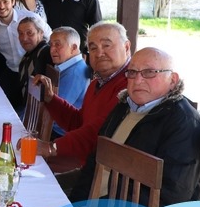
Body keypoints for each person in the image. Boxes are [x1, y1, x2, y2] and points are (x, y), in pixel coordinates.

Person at [70, 48, 200, 207]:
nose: (138, 80)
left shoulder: (183, 122)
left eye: (149, 72)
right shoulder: (124, 106)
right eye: (132, 72)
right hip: (95, 206)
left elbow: (172, 194)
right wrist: (74, 206)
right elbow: (95, 161)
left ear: (173, 80)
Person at [32, 22, 131, 166]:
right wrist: (51, 99)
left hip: (101, 171)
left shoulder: (130, 84)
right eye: (93, 48)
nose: (99, 53)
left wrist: (52, 147)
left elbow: (100, 130)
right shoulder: (97, 82)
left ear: (126, 47)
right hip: (85, 161)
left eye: (106, 45)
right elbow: (79, 123)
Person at [0, 0, 51, 110]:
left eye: (5, 1)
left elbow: (50, 37)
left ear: (13, 1)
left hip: (35, 73)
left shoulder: (31, 18)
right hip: (12, 72)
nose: (1, 6)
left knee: (31, 111)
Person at [47, 26, 91, 136]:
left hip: (60, 134)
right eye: (51, 45)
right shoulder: (66, 67)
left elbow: (53, 112)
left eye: (57, 44)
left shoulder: (75, 72)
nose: (52, 49)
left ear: (73, 48)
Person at [17, 16, 53, 105]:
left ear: (40, 33)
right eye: (21, 33)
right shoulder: (28, 55)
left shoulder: (46, 53)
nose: (24, 38)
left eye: (29, 33)